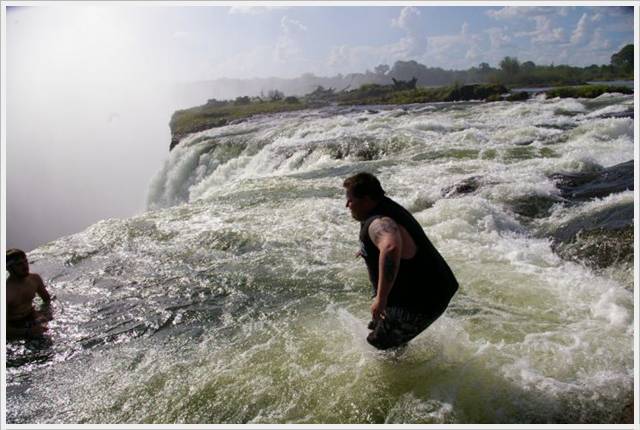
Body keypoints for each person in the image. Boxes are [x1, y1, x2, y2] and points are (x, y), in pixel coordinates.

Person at [343, 172, 458, 350]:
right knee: (381, 330)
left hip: (426, 297)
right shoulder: (381, 208)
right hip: (430, 289)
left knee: (379, 344)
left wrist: (381, 299)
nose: (347, 205)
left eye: (350, 200)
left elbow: (390, 247)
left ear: (366, 199)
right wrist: (368, 250)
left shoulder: (378, 221)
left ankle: (413, 374)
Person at [6, 249, 53, 339]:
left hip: (31, 316)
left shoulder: (35, 279)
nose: (25, 266)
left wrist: (45, 314)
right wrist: (27, 332)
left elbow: (47, 300)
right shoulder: (6, 292)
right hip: (14, 325)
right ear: (9, 268)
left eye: (26, 262)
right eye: (19, 264)